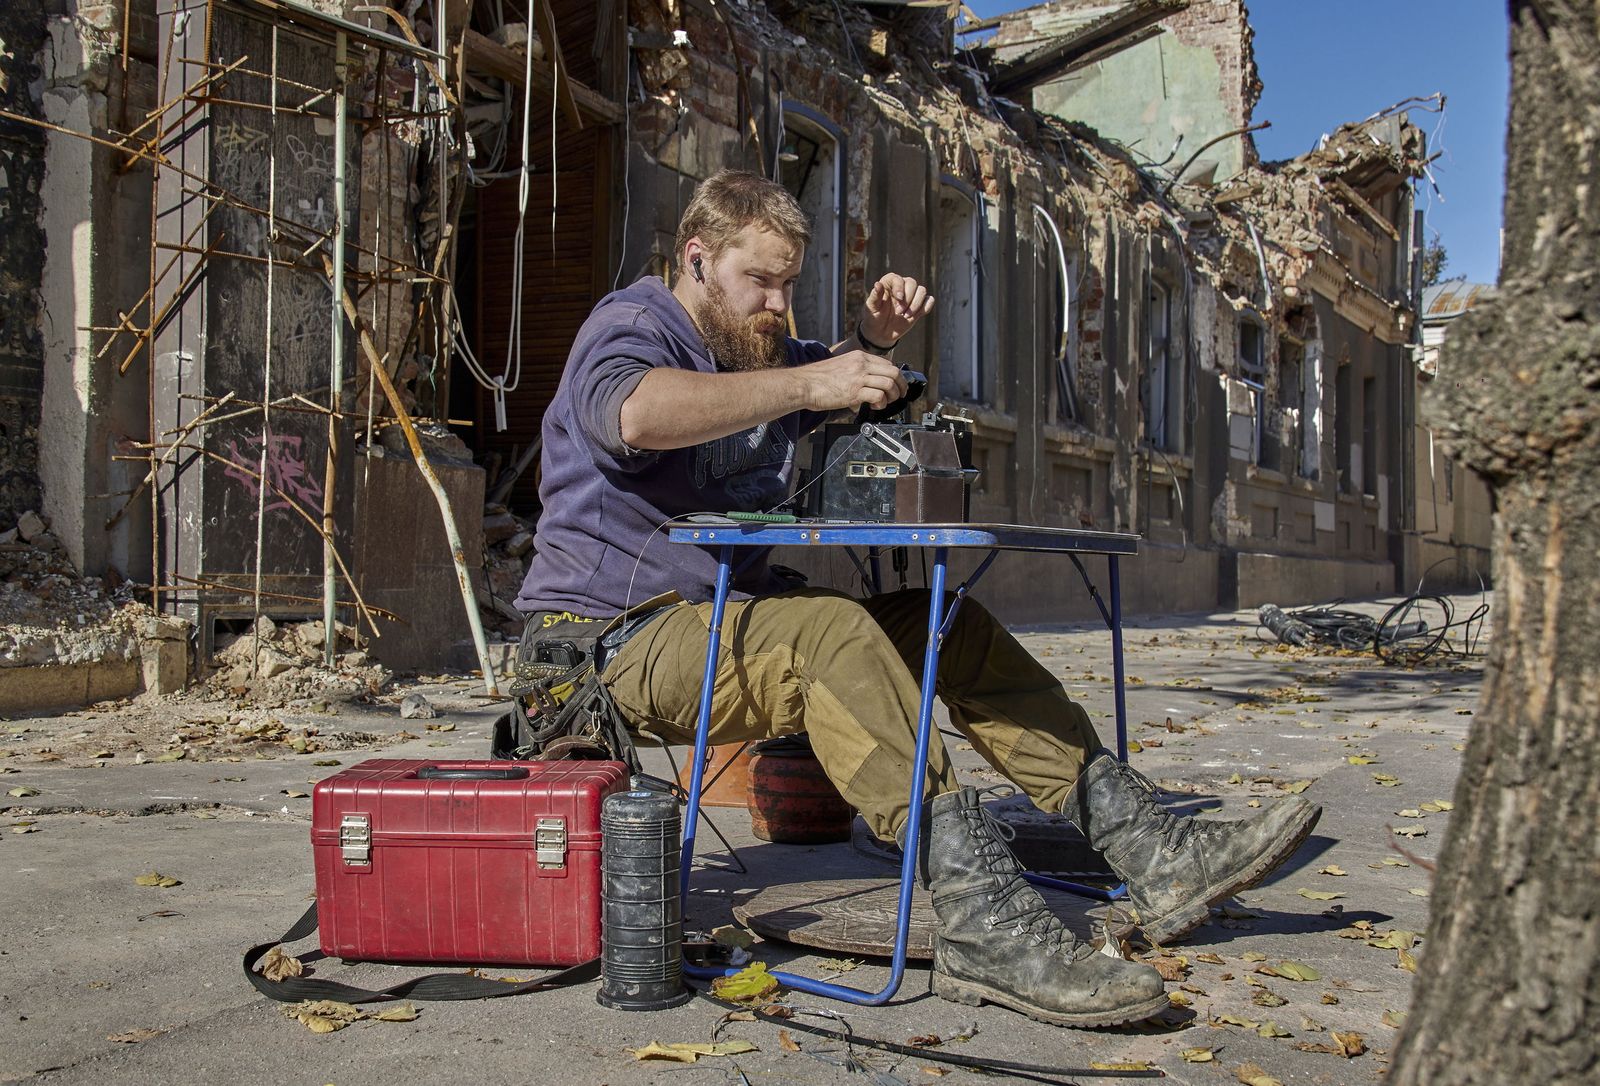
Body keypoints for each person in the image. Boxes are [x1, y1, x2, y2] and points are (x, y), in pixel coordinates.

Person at [514, 169, 1321, 1028]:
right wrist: (809, 384)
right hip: (603, 646)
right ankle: (983, 925)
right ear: (698, 257)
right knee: (827, 632)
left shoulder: (756, 347)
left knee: (948, 627)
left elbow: (815, 380)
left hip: (719, 625)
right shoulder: (634, 325)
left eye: (789, 284)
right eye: (760, 281)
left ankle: (1149, 848)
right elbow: (635, 414)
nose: (778, 305)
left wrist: (866, 343)